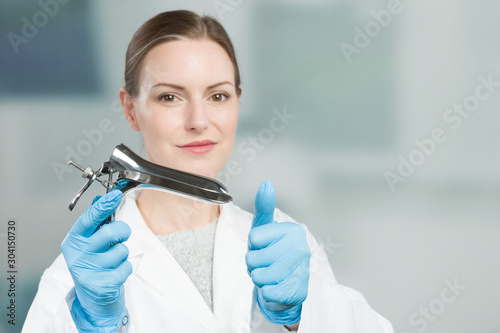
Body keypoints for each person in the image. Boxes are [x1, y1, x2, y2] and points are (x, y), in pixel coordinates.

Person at [23, 9, 394, 333]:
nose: (198, 121)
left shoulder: (284, 249)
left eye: (218, 96)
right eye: (170, 96)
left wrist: (303, 316)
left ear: (237, 101)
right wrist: (88, 326)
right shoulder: (80, 279)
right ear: (130, 108)